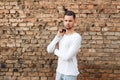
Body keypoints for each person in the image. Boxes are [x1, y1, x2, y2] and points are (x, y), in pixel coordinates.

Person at [47, 10, 82, 80]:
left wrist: (56, 50)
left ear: (74, 22)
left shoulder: (76, 37)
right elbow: (49, 50)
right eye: (66, 20)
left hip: (70, 73)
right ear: (63, 21)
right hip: (59, 71)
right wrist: (57, 37)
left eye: (70, 21)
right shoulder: (61, 35)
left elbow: (67, 57)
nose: (67, 23)